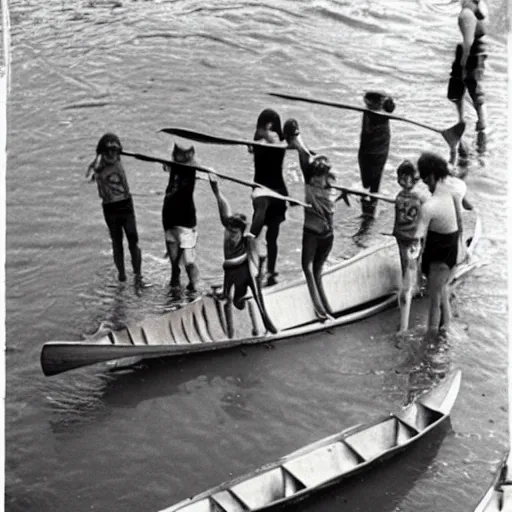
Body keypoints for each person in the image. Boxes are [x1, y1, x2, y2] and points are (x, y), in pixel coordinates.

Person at [208, 174, 278, 338]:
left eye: (235, 233)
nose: (232, 235)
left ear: (241, 231)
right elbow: (221, 203)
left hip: (243, 272)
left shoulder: (247, 238)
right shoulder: (228, 226)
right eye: (230, 232)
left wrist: (260, 270)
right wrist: (215, 188)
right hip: (232, 271)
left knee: (254, 290)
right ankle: (230, 329)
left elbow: (259, 255)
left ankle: (266, 323)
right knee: (229, 289)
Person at [284, 119, 340, 322]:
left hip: (313, 234)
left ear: (324, 178)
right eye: (315, 177)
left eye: (318, 177)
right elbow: (308, 159)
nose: (315, 180)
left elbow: (305, 160)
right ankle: (328, 308)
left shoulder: (310, 187)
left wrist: (296, 144)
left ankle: (319, 311)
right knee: (317, 272)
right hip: (328, 236)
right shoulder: (331, 188)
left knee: (307, 269)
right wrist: (297, 143)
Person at [414, 152, 470, 337]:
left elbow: (417, 238)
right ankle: (445, 328)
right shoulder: (454, 190)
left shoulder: (430, 206)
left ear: (430, 176)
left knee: (434, 298)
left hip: (438, 249)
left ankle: (430, 339)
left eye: (425, 180)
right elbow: (460, 221)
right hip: (452, 247)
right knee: (443, 290)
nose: (426, 186)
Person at [85, 133, 143, 285]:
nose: (111, 154)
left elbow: (114, 150)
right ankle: (122, 275)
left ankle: (138, 275)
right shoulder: (98, 166)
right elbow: (89, 175)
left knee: (132, 239)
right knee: (117, 242)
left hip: (125, 204)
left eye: (114, 150)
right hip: (110, 207)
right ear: (102, 152)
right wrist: (98, 159)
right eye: (108, 151)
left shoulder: (118, 161)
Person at [249, 108, 288, 287]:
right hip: (276, 192)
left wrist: (259, 138)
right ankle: (269, 270)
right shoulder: (277, 142)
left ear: (268, 125)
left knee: (253, 234)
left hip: (265, 192)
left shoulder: (271, 142)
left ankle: (256, 267)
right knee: (271, 237)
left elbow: (260, 147)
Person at [392, 160, 431, 332]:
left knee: (409, 263)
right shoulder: (419, 196)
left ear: (411, 178)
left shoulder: (401, 196)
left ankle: (412, 287)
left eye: (403, 177)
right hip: (408, 236)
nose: (400, 180)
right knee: (411, 263)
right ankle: (414, 286)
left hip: (408, 236)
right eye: (399, 177)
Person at [448, 0, 489, 155]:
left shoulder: (466, 13)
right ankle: (481, 122)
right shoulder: (481, 9)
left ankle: (464, 120)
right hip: (479, 50)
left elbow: (468, 41)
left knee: (460, 87)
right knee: (475, 88)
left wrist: (463, 61)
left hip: (469, 52)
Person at [162, 143, 200, 293]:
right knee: (174, 259)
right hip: (169, 216)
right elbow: (166, 166)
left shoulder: (192, 168)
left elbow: (196, 164)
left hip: (186, 219)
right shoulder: (172, 165)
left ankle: (194, 286)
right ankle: (175, 278)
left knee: (189, 261)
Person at [358, 91, 396, 218]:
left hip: (379, 149)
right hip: (367, 149)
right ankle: (367, 203)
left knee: (374, 180)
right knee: (366, 181)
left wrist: (387, 101)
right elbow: (366, 132)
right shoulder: (368, 113)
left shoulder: (384, 111)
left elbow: (391, 108)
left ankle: (371, 207)